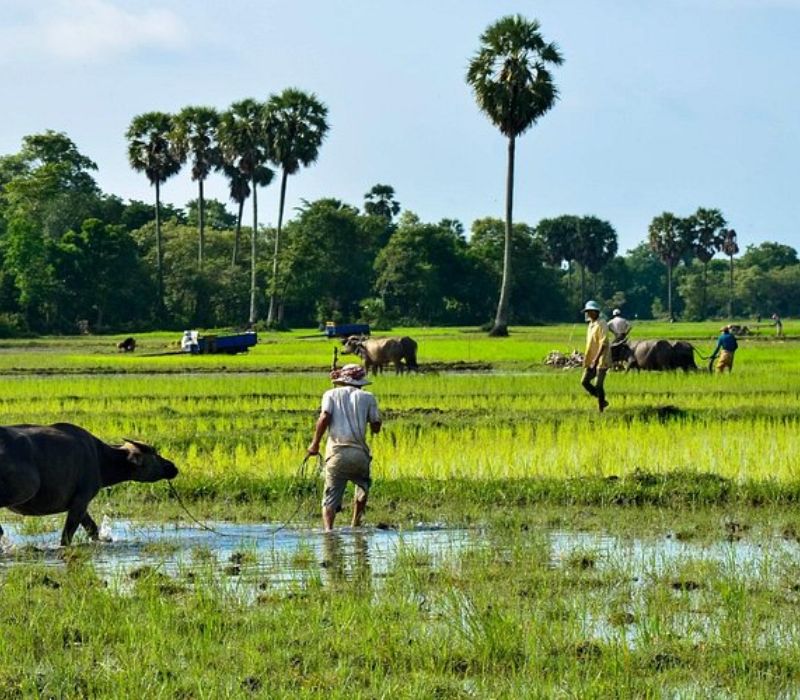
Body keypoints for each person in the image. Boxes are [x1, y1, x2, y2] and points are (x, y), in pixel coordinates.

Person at [307, 363, 382, 531]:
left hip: (337, 454)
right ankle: (356, 525)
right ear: (360, 382)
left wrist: (315, 444)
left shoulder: (331, 394)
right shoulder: (368, 397)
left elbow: (325, 417)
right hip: (360, 454)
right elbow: (376, 426)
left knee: (330, 497)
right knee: (362, 488)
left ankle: (328, 531)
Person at [580, 300, 611, 412]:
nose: (587, 314)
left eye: (589, 311)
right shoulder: (590, 325)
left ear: (595, 312)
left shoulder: (602, 323)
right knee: (584, 382)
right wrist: (588, 358)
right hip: (591, 358)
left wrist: (596, 359)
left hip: (601, 359)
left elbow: (604, 343)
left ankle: (601, 408)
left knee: (598, 384)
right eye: (587, 312)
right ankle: (602, 400)